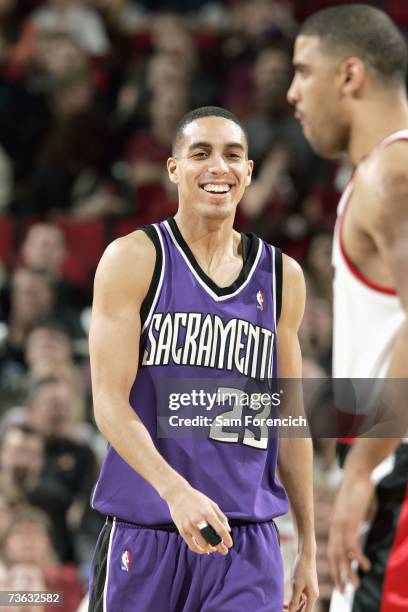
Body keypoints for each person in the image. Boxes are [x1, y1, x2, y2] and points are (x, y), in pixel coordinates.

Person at [88, 106, 318, 611]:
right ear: (174, 169)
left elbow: (290, 419)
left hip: (245, 545)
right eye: (201, 154)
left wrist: (308, 545)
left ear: (250, 172)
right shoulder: (134, 258)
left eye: (233, 155)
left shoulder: (283, 278)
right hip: (146, 531)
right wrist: (175, 492)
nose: (219, 167)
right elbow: (108, 402)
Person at [287, 5, 408, 611]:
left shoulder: (394, 171)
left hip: (397, 478)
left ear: (350, 76)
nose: (291, 93)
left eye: (304, 71)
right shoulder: (380, 173)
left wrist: (360, 471)